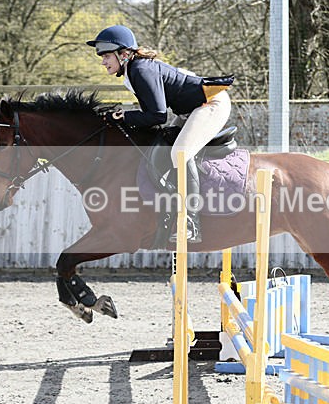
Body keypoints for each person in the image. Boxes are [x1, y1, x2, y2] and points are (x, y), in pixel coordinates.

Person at [87, 25, 233, 243]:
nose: (103, 62)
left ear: (124, 54)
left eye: (106, 56)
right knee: (162, 145)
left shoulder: (140, 70)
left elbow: (157, 115)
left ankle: (190, 221)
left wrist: (125, 117)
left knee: (180, 153)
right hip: (191, 109)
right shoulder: (133, 70)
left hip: (210, 104)